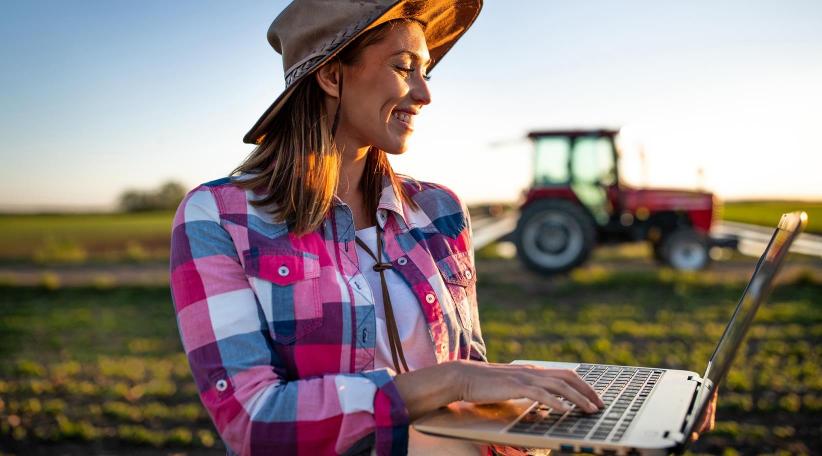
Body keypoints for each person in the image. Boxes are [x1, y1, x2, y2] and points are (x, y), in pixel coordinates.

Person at [169, 1, 714, 455]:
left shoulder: (440, 211)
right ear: (332, 75)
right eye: (404, 66)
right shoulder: (220, 218)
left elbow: (472, 378)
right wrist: (448, 382)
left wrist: (556, 406)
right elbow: (253, 422)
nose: (424, 94)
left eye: (426, 71)